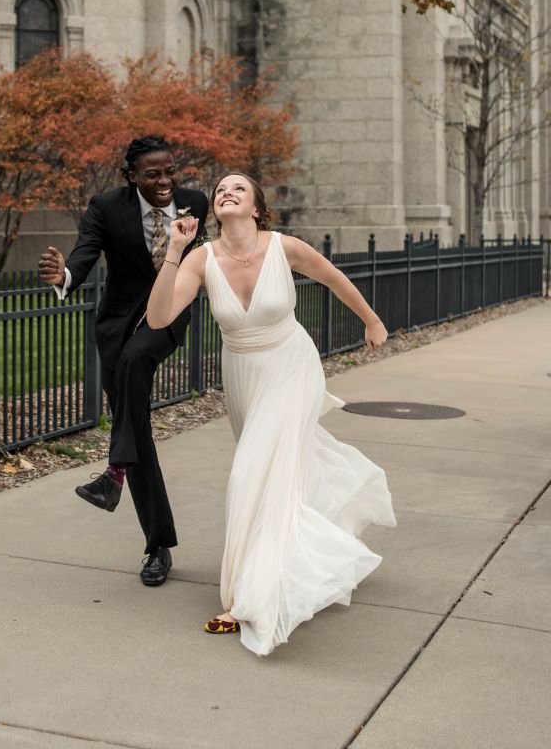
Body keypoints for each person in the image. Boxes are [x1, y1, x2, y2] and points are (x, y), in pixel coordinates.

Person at [146, 172, 396, 655]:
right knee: (273, 476)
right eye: (221, 190)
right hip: (242, 376)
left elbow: (333, 278)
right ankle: (299, 554)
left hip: (290, 366)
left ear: (257, 208)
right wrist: (174, 251)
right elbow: (158, 318)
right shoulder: (202, 258)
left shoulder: (285, 247)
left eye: (238, 189)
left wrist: (372, 319)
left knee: (249, 477)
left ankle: (245, 599)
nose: (227, 193)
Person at [38, 136, 208, 586]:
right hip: (117, 321)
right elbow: (86, 252)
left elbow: (210, 254)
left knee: (136, 363)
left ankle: (112, 471)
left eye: (170, 170)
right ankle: (158, 547)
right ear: (132, 176)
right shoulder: (107, 206)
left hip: (165, 314)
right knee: (136, 429)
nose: (165, 180)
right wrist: (66, 275)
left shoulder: (195, 203)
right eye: (153, 174)